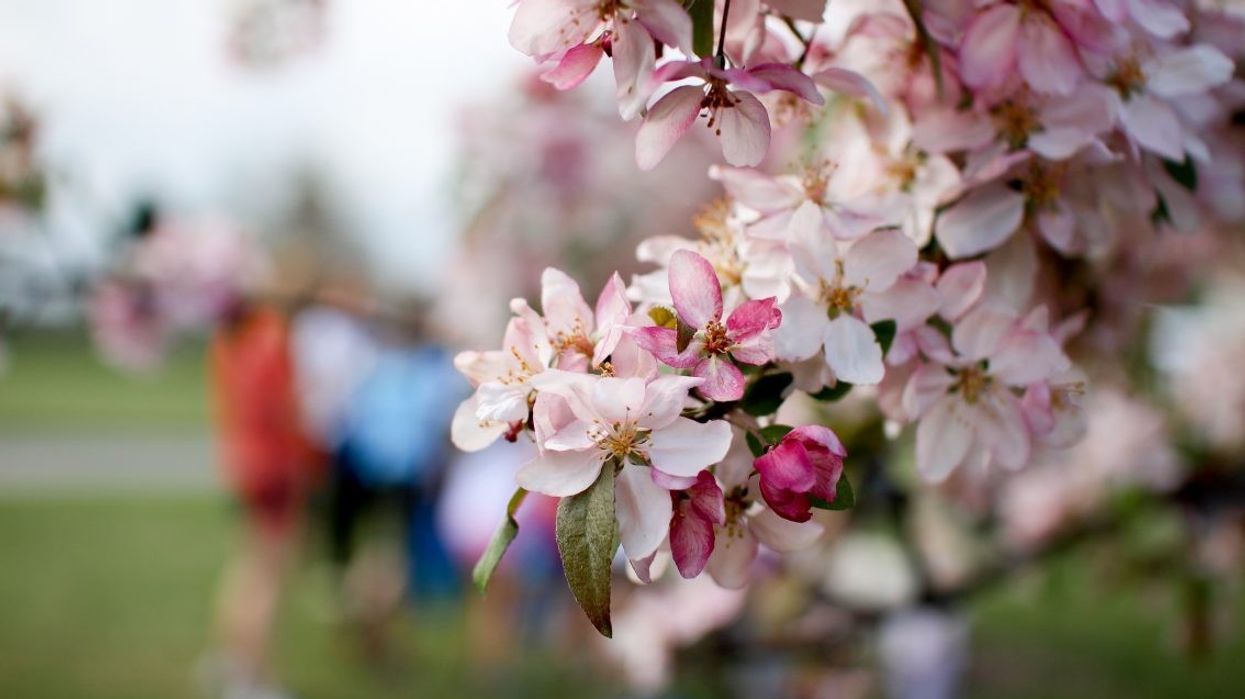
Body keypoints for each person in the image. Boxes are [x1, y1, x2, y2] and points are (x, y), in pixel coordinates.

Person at [206, 299, 319, 699]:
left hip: (243, 460)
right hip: (276, 465)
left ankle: (230, 661)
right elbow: (283, 407)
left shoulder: (228, 336)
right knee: (268, 577)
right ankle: (254, 679)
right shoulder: (271, 335)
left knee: (247, 568)